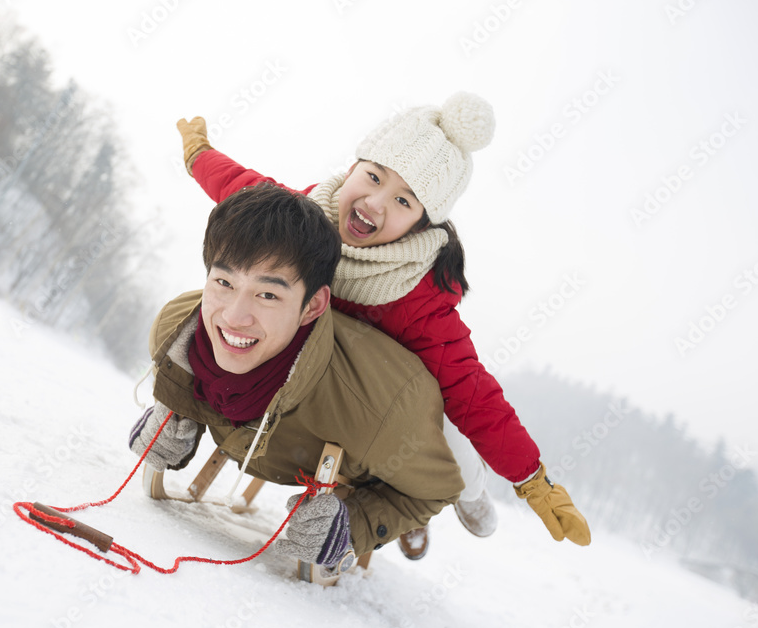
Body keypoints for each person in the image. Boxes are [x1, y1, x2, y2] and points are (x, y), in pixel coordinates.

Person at [175, 92, 591, 556]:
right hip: (321, 379)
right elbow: (243, 188)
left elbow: (472, 392)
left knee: (451, 432)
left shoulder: (418, 294)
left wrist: (531, 478)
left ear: (420, 224)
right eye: (373, 176)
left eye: (403, 200)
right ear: (353, 168)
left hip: (390, 399)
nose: (374, 202)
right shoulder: (307, 222)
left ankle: (465, 496)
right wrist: (199, 155)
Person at [130, 182, 466, 565]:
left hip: (392, 415)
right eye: (224, 282)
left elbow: (438, 488)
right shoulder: (175, 328)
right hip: (279, 428)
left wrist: (355, 523)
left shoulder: (381, 414)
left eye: (268, 295)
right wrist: (175, 407)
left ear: (312, 306)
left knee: (439, 457)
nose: (234, 317)